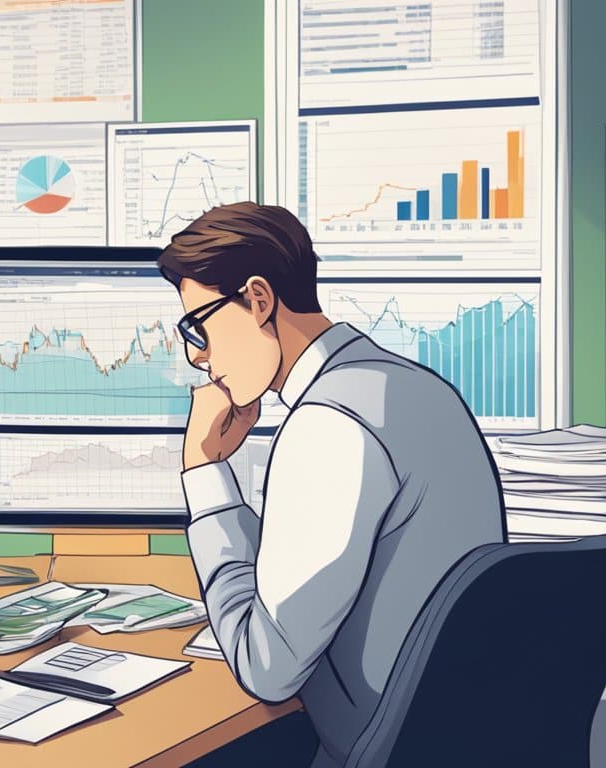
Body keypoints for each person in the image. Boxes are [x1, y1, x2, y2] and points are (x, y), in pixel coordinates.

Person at [163, 201, 507, 767]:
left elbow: (265, 670)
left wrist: (204, 473)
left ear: (257, 299)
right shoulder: (413, 388)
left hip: (373, 750)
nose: (199, 358)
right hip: (454, 737)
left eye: (198, 326)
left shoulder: (330, 424)